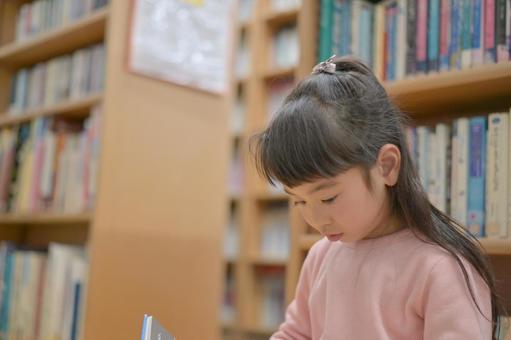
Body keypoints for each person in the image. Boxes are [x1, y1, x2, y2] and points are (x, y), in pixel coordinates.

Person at [249, 55, 504, 340]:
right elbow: (296, 333)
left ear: (387, 166)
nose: (315, 219)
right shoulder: (321, 256)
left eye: (328, 198)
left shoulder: (440, 268)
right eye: (298, 201)